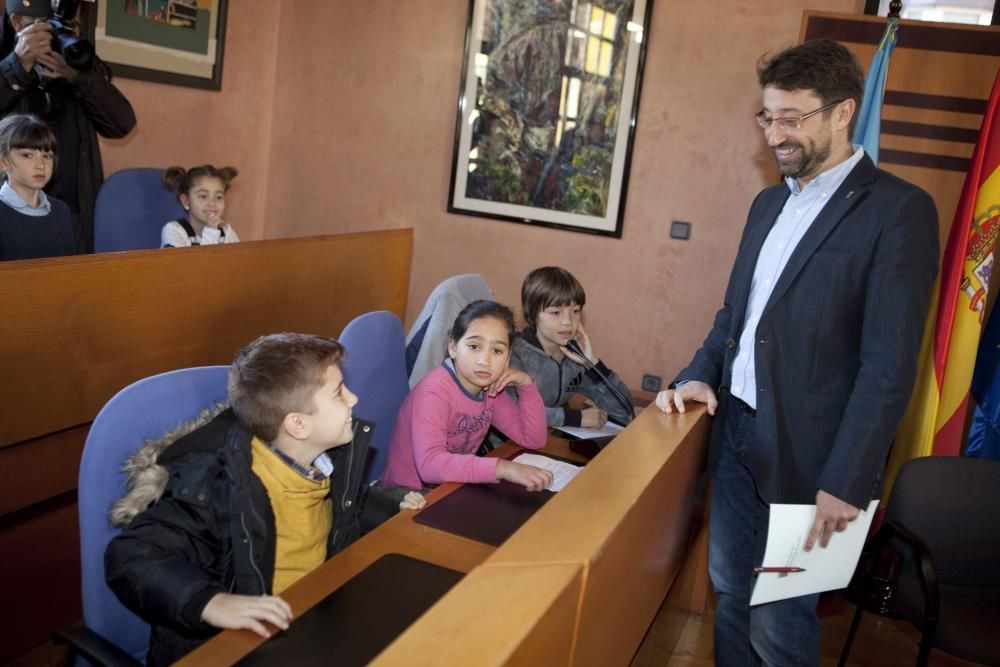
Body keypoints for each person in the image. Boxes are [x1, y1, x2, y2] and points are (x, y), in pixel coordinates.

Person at [654, 39, 939, 666]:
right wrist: (699, 374)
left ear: (842, 113)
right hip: (735, 440)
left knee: (778, 627)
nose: (775, 134)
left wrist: (846, 482)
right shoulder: (767, 203)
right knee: (731, 596)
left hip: (817, 465)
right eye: (767, 116)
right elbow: (737, 316)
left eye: (792, 118)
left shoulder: (900, 212)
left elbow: (888, 367)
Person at [105, 333, 425, 666]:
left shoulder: (322, 460)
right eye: (339, 393)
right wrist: (210, 602)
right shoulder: (215, 485)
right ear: (298, 425)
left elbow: (342, 504)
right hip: (239, 647)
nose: (354, 398)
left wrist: (388, 505)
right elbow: (130, 556)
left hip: (312, 618)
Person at [0, 0, 136, 252]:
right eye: (43, 26)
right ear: (17, 23)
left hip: (74, 216)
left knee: (72, 289)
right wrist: (16, 67)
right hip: (10, 216)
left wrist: (80, 79)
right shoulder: (6, 63)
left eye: (63, 27)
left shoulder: (77, 66)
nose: (53, 36)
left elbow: (122, 124)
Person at [381, 300, 554, 491]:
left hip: (451, 486)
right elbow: (430, 466)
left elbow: (533, 439)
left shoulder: (490, 388)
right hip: (406, 496)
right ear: (453, 347)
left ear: (507, 357)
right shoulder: (433, 393)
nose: (484, 361)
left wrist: (526, 385)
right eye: (474, 346)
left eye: (497, 351)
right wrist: (502, 468)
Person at [509, 266, 634, 429]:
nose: (568, 321)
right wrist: (573, 418)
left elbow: (624, 410)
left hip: (546, 441)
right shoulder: (514, 354)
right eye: (555, 312)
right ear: (532, 316)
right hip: (506, 447)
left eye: (575, 311)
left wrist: (594, 364)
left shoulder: (573, 358)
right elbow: (510, 410)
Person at [0, 112, 76, 260]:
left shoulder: (61, 211)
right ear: (3, 162)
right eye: (28, 155)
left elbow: (69, 272)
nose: (40, 165)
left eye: (47, 156)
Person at [161, 164, 240, 247]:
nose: (212, 203)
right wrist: (211, 232)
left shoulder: (227, 233)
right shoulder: (174, 231)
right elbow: (200, 260)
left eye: (219, 197)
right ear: (186, 201)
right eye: (203, 196)